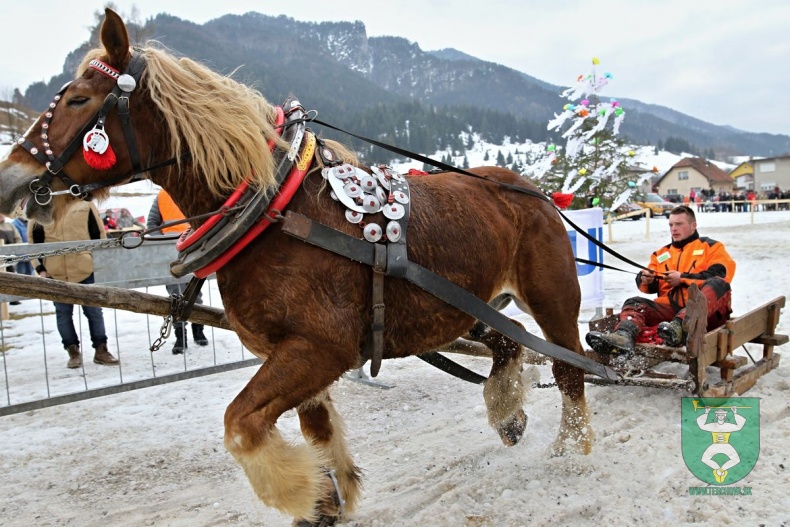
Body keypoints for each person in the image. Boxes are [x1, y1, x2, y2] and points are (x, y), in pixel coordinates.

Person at [586, 205, 735, 354]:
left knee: (719, 283)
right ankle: (623, 336)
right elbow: (649, 284)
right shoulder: (661, 254)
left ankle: (681, 326)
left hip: (705, 313)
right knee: (634, 302)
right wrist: (646, 279)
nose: (673, 228)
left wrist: (682, 278)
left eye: (679, 224)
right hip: (670, 311)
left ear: (693, 226)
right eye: (671, 224)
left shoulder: (711, 247)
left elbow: (722, 274)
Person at [30, 200, 119, 369]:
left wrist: (97, 263)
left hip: (84, 269)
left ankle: (101, 350)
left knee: (94, 312)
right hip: (55, 272)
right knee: (63, 314)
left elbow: (98, 235)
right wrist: (40, 268)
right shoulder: (40, 205)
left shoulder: (85, 205)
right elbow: (34, 242)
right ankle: (73, 352)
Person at [147, 189, 209, 354]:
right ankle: (180, 335)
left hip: (192, 251)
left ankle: (198, 329)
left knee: (195, 293)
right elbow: (152, 225)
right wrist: (164, 246)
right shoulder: (162, 197)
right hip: (173, 256)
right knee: (175, 297)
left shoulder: (192, 189)